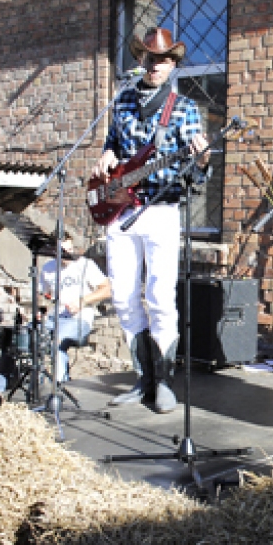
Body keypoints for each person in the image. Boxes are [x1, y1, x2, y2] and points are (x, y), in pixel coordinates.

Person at [91, 27, 211, 412]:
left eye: (163, 59)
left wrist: (203, 159)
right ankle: (143, 376)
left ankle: (163, 380)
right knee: (124, 295)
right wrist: (106, 157)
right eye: (149, 57)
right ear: (140, 59)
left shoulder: (184, 109)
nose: (155, 64)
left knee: (160, 296)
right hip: (121, 209)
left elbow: (195, 172)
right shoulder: (123, 100)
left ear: (174, 63)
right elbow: (113, 144)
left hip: (160, 209)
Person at [38, 235, 112, 382]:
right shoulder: (48, 269)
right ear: (54, 251)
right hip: (55, 318)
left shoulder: (85, 265)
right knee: (22, 337)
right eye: (64, 250)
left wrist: (82, 301)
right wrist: (38, 311)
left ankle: (59, 388)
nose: (69, 254)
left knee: (56, 342)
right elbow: (41, 295)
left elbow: (107, 289)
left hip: (79, 319)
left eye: (70, 249)